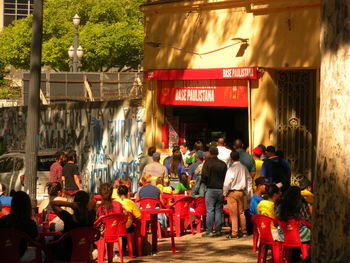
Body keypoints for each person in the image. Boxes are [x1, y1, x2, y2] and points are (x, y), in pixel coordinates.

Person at [50, 191, 96, 261]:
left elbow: (53, 203)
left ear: (75, 203)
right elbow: (93, 203)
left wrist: (70, 204)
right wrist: (84, 205)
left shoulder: (68, 217)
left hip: (67, 254)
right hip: (85, 252)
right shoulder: (91, 217)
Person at [0, 191, 38, 260]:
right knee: (42, 254)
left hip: (4, 254)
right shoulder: (29, 224)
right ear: (27, 206)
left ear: (13, 204)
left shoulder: (3, 220)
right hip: (21, 255)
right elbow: (35, 238)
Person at [223, 150, 252, 239]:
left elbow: (227, 182)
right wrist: (248, 192)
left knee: (234, 213)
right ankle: (243, 231)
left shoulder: (231, 169)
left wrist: (225, 192)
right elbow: (249, 180)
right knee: (241, 212)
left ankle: (234, 233)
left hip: (232, 192)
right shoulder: (244, 168)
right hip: (241, 192)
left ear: (231, 159)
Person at [201, 146, 227, 237]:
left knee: (210, 210)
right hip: (220, 189)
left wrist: (206, 182)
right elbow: (225, 178)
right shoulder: (223, 164)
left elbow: (204, 176)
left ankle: (209, 230)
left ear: (210, 153)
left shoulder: (207, 163)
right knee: (218, 210)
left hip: (210, 189)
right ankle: (218, 230)